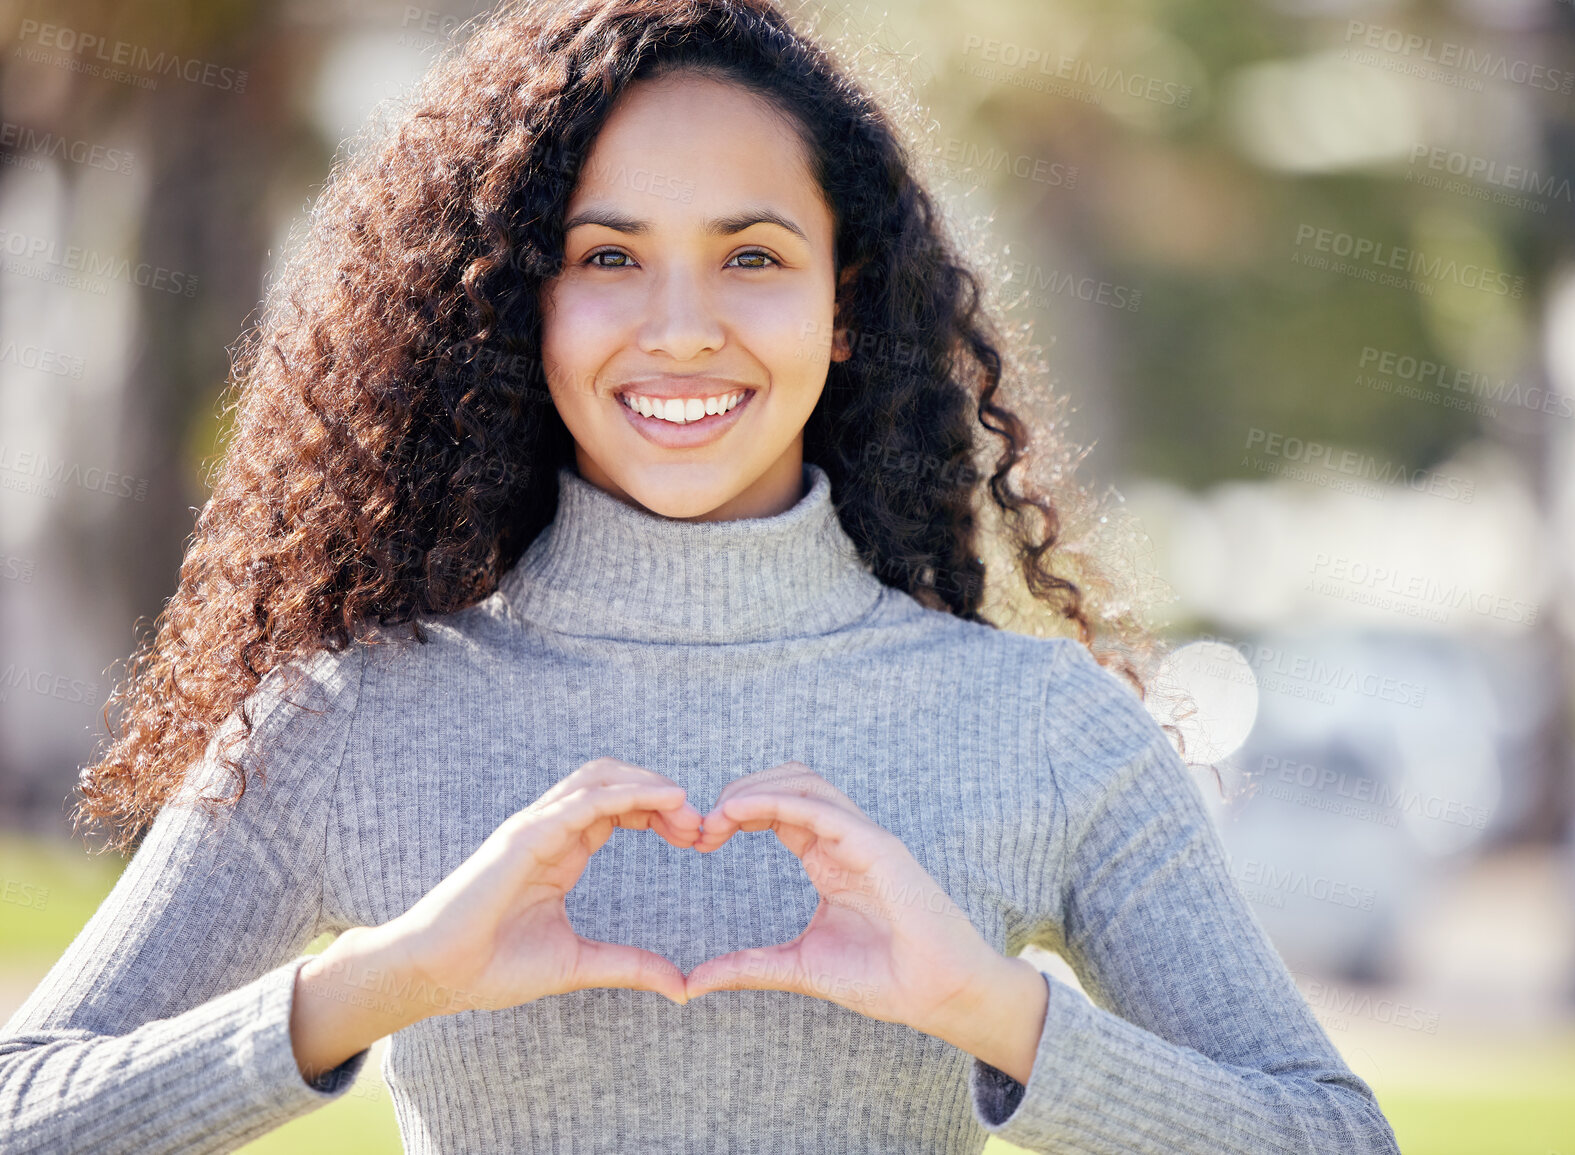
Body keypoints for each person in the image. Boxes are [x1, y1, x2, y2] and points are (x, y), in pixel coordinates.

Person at [0, 1, 1401, 1151]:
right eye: (606, 256)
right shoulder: (348, 723)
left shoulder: (1043, 729)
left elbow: (1336, 1139)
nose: (681, 328)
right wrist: (388, 982)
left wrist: (993, 1010)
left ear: (843, 309)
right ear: (516, 304)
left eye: (753, 255)